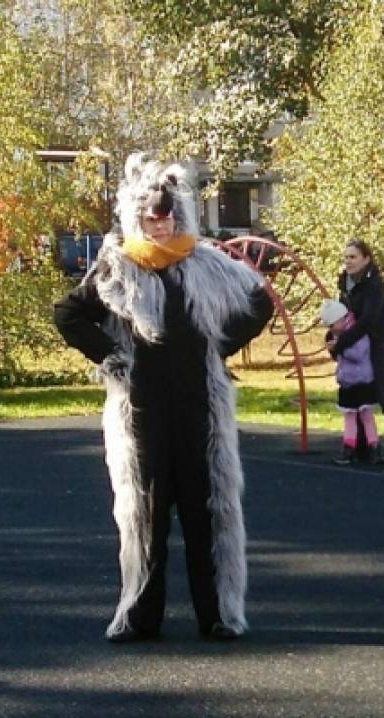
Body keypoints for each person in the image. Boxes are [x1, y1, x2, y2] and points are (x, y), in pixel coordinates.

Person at [54, 153, 274, 643]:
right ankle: (139, 613)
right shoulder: (118, 265)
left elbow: (259, 302)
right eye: (154, 214)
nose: (163, 221)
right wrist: (113, 357)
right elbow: (68, 314)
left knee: (208, 508)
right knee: (144, 512)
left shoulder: (205, 262)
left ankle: (217, 613)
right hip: (143, 411)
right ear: (138, 215)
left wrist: (218, 346)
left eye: (170, 214)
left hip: (201, 409)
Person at [332, 239, 384, 461]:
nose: (348, 262)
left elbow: (368, 320)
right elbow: (343, 317)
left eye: (353, 257)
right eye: (346, 257)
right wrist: (333, 337)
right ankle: (363, 446)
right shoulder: (345, 283)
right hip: (358, 347)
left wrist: (341, 343)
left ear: (366, 259)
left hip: (380, 345)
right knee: (358, 392)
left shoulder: (375, 285)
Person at [320, 298, 384, 465]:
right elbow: (338, 357)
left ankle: (374, 447)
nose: (332, 329)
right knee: (349, 416)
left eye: (333, 324)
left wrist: (340, 346)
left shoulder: (356, 333)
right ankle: (349, 447)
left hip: (362, 381)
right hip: (347, 382)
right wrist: (334, 350)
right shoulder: (337, 335)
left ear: (341, 319)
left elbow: (358, 355)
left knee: (366, 416)